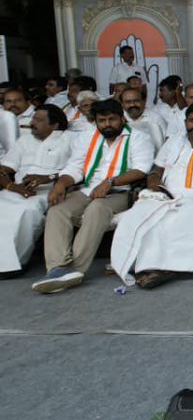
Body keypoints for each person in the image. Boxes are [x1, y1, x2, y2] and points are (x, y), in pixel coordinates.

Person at [32, 100, 154, 293]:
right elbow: (75, 167)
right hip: (87, 189)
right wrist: (62, 183)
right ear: (96, 121)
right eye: (102, 120)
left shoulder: (138, 138)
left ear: (122, 118)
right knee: (57, 210)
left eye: (111, 119)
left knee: (96, 209)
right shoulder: (87, 137)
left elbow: (141, 169)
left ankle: (75, 269)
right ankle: (57, 268)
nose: (106, 124)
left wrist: (110, 183)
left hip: (120, 192)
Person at [108, 103, 193, 289]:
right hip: (166, 191)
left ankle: (170, 268)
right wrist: (153, 181)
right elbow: (156, 168)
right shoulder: (174, 140)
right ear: (185, 122)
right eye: (192, 121)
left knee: (182, 216)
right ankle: (144, 263)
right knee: (141, 214)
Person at [0, 105, 72, 275]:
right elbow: (4, 169)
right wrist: (12, 186)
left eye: (38, 120)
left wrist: (49, 178)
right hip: (16, 189)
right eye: (33, 118)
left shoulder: (70, 139)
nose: (32, 123)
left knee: (24, 212)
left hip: (47, 192)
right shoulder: (24, 140)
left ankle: (15, 263)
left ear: (54, 125)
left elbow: (79, 169)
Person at [119, 87, 167, 152]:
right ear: (122, 104)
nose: (132, 104)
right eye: (128, 102)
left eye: (136, 101)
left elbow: (164, 148)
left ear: (144, 101)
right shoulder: (118, 119)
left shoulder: (156, 120)